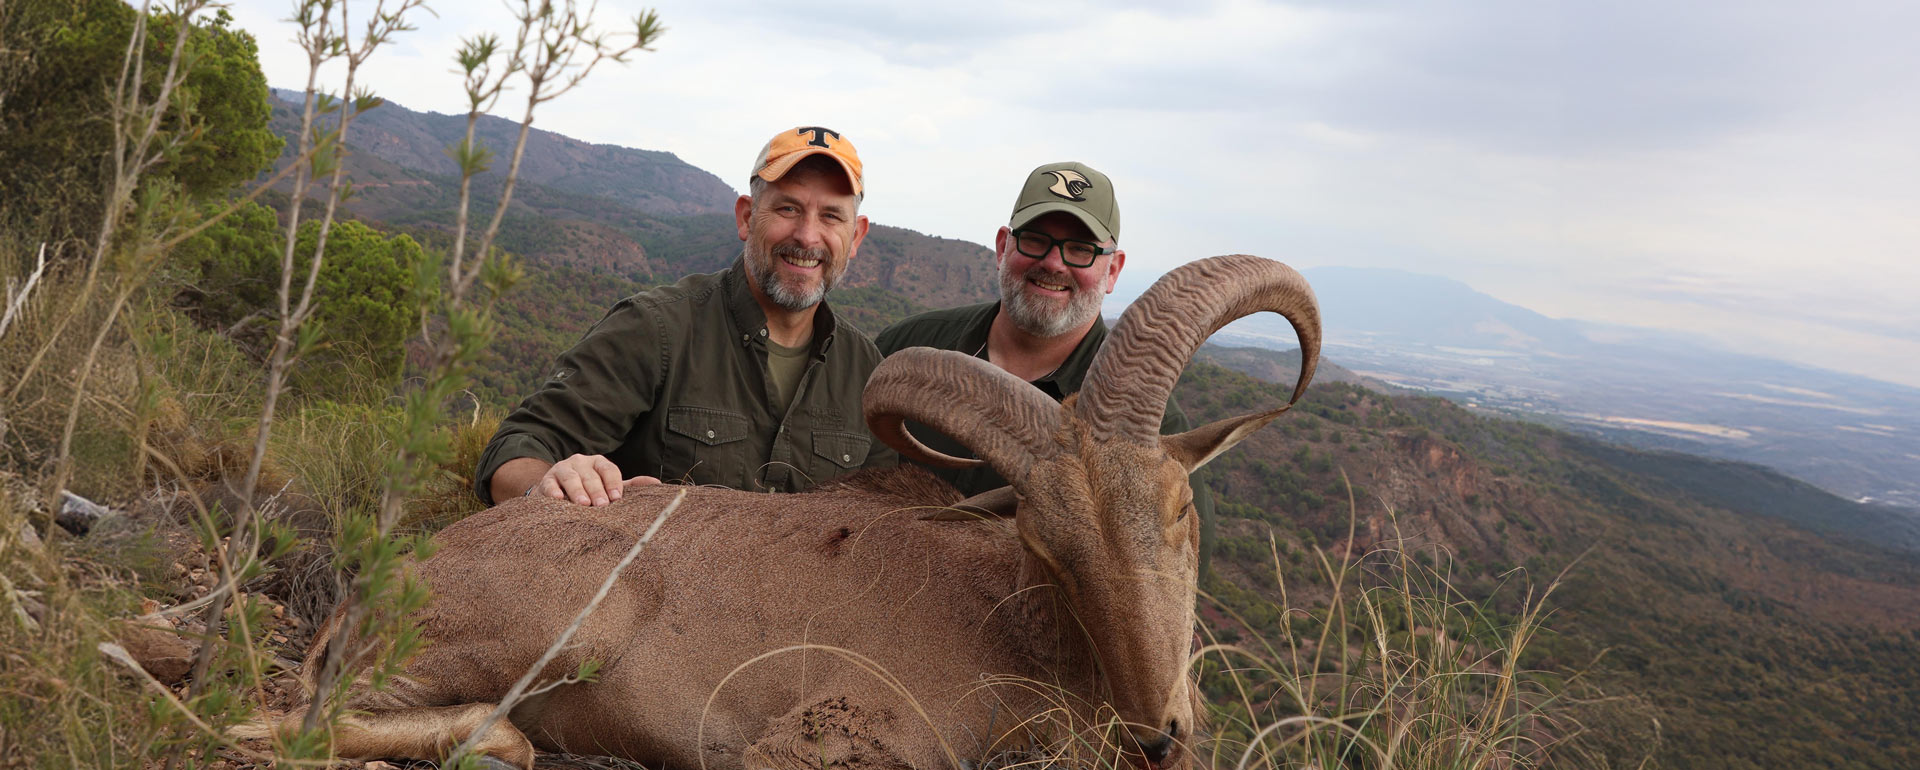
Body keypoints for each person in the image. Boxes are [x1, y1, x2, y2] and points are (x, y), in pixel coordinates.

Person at [474, 126, 897, 506]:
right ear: (747, 217)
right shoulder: (654, 329)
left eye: (830, 216)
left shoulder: (866, 374)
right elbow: (514, 449)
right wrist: (548, 485)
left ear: (855, 235)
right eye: (787, 209)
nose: (807, 235)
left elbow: (877, 516)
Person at [874, 161, 1215, 512]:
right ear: (1003, 247)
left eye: (1081, 249)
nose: (1054, 263)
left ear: (1112, 270)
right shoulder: (906, 345)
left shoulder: (1149, 423)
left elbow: (1177, 559)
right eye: (1035, 240)